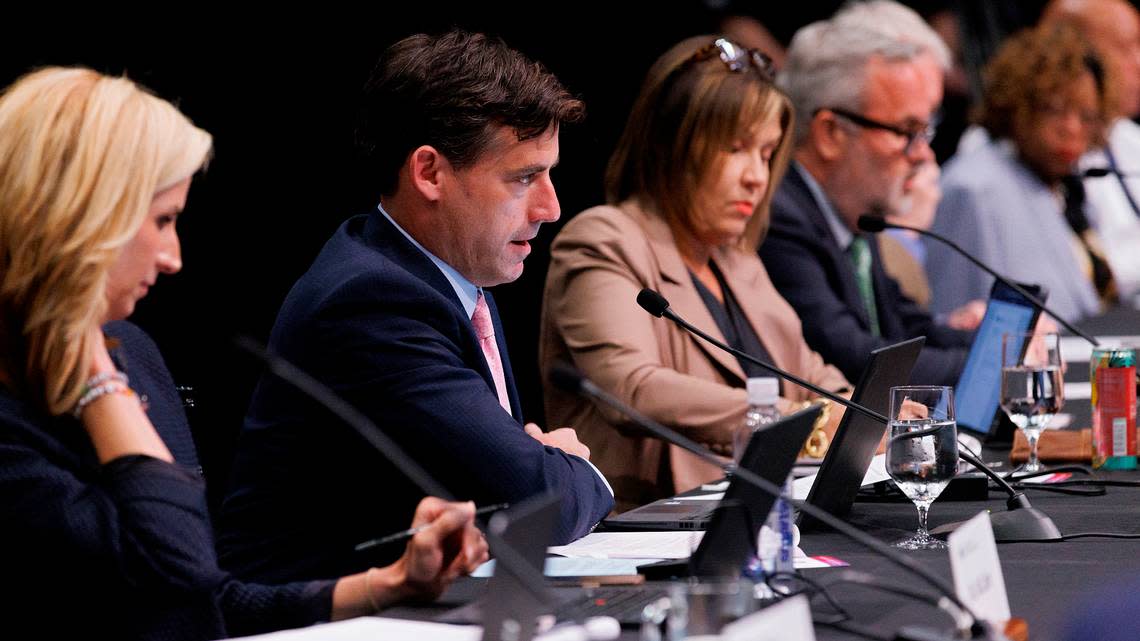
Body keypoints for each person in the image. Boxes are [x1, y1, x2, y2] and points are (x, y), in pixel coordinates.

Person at [0, 67, 487, 641]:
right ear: (77, 225)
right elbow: (172, 573)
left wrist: (387, 584)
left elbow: (206, 599)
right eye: (162, 220)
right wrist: (98, 379)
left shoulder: (131, 350)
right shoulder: (52, 399)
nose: (172, 257)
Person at [219, 30, 614, 582]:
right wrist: (574, 466)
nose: (551, 207)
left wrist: (540, 473)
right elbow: (533, 503)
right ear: (429, 173)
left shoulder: (448, 274)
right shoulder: (372, 303)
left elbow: (507, 498)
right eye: (524, 178)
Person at [539, 35, 850, 513]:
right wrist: (798, 422)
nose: (757, 176)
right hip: (641, 534)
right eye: (737, 148)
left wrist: (871, 417)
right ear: (672, 147)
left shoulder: (735, 257)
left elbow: (810, 375)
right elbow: (631, 387)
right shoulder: (604, 239)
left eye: (766, 154)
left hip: (754, 519)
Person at [758, 3, 976, 387]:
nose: (923, 154)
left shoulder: (847, 209)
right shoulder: (781, 217)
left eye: (926, 132)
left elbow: (903, 327)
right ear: (831, 133)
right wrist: (990, 371)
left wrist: (1001, 347)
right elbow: (857, 359)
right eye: (907, 131)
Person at [925, 24, 1116, 322]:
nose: (1072, 129)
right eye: (1054, 110)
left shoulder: (1061, 185)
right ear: (1017, 105)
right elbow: (962, 324)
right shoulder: (974, 190)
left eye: (1086, 116)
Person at [1041, 0, 1140, 306]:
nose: (1138, 63)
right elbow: (1078, 281)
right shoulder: (1025, 152)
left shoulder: (1126, 138)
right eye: (1123, 48)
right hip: (1095, 342)